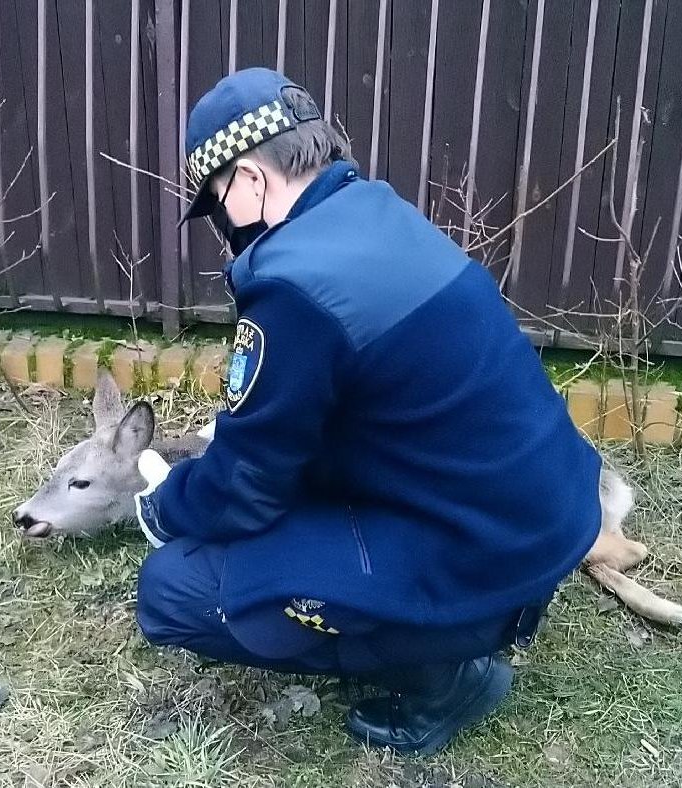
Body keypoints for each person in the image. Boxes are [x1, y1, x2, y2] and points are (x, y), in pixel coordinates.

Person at [130, 67, 603, 757]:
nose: (224, 222)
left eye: (218, 199)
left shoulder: (293, 281)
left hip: (484, 555)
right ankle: (464, 617)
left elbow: (245, 485)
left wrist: (165, 509)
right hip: (534, 522)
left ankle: (446, 666)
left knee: (175, 591)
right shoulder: (376, 212)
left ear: (251, 180)